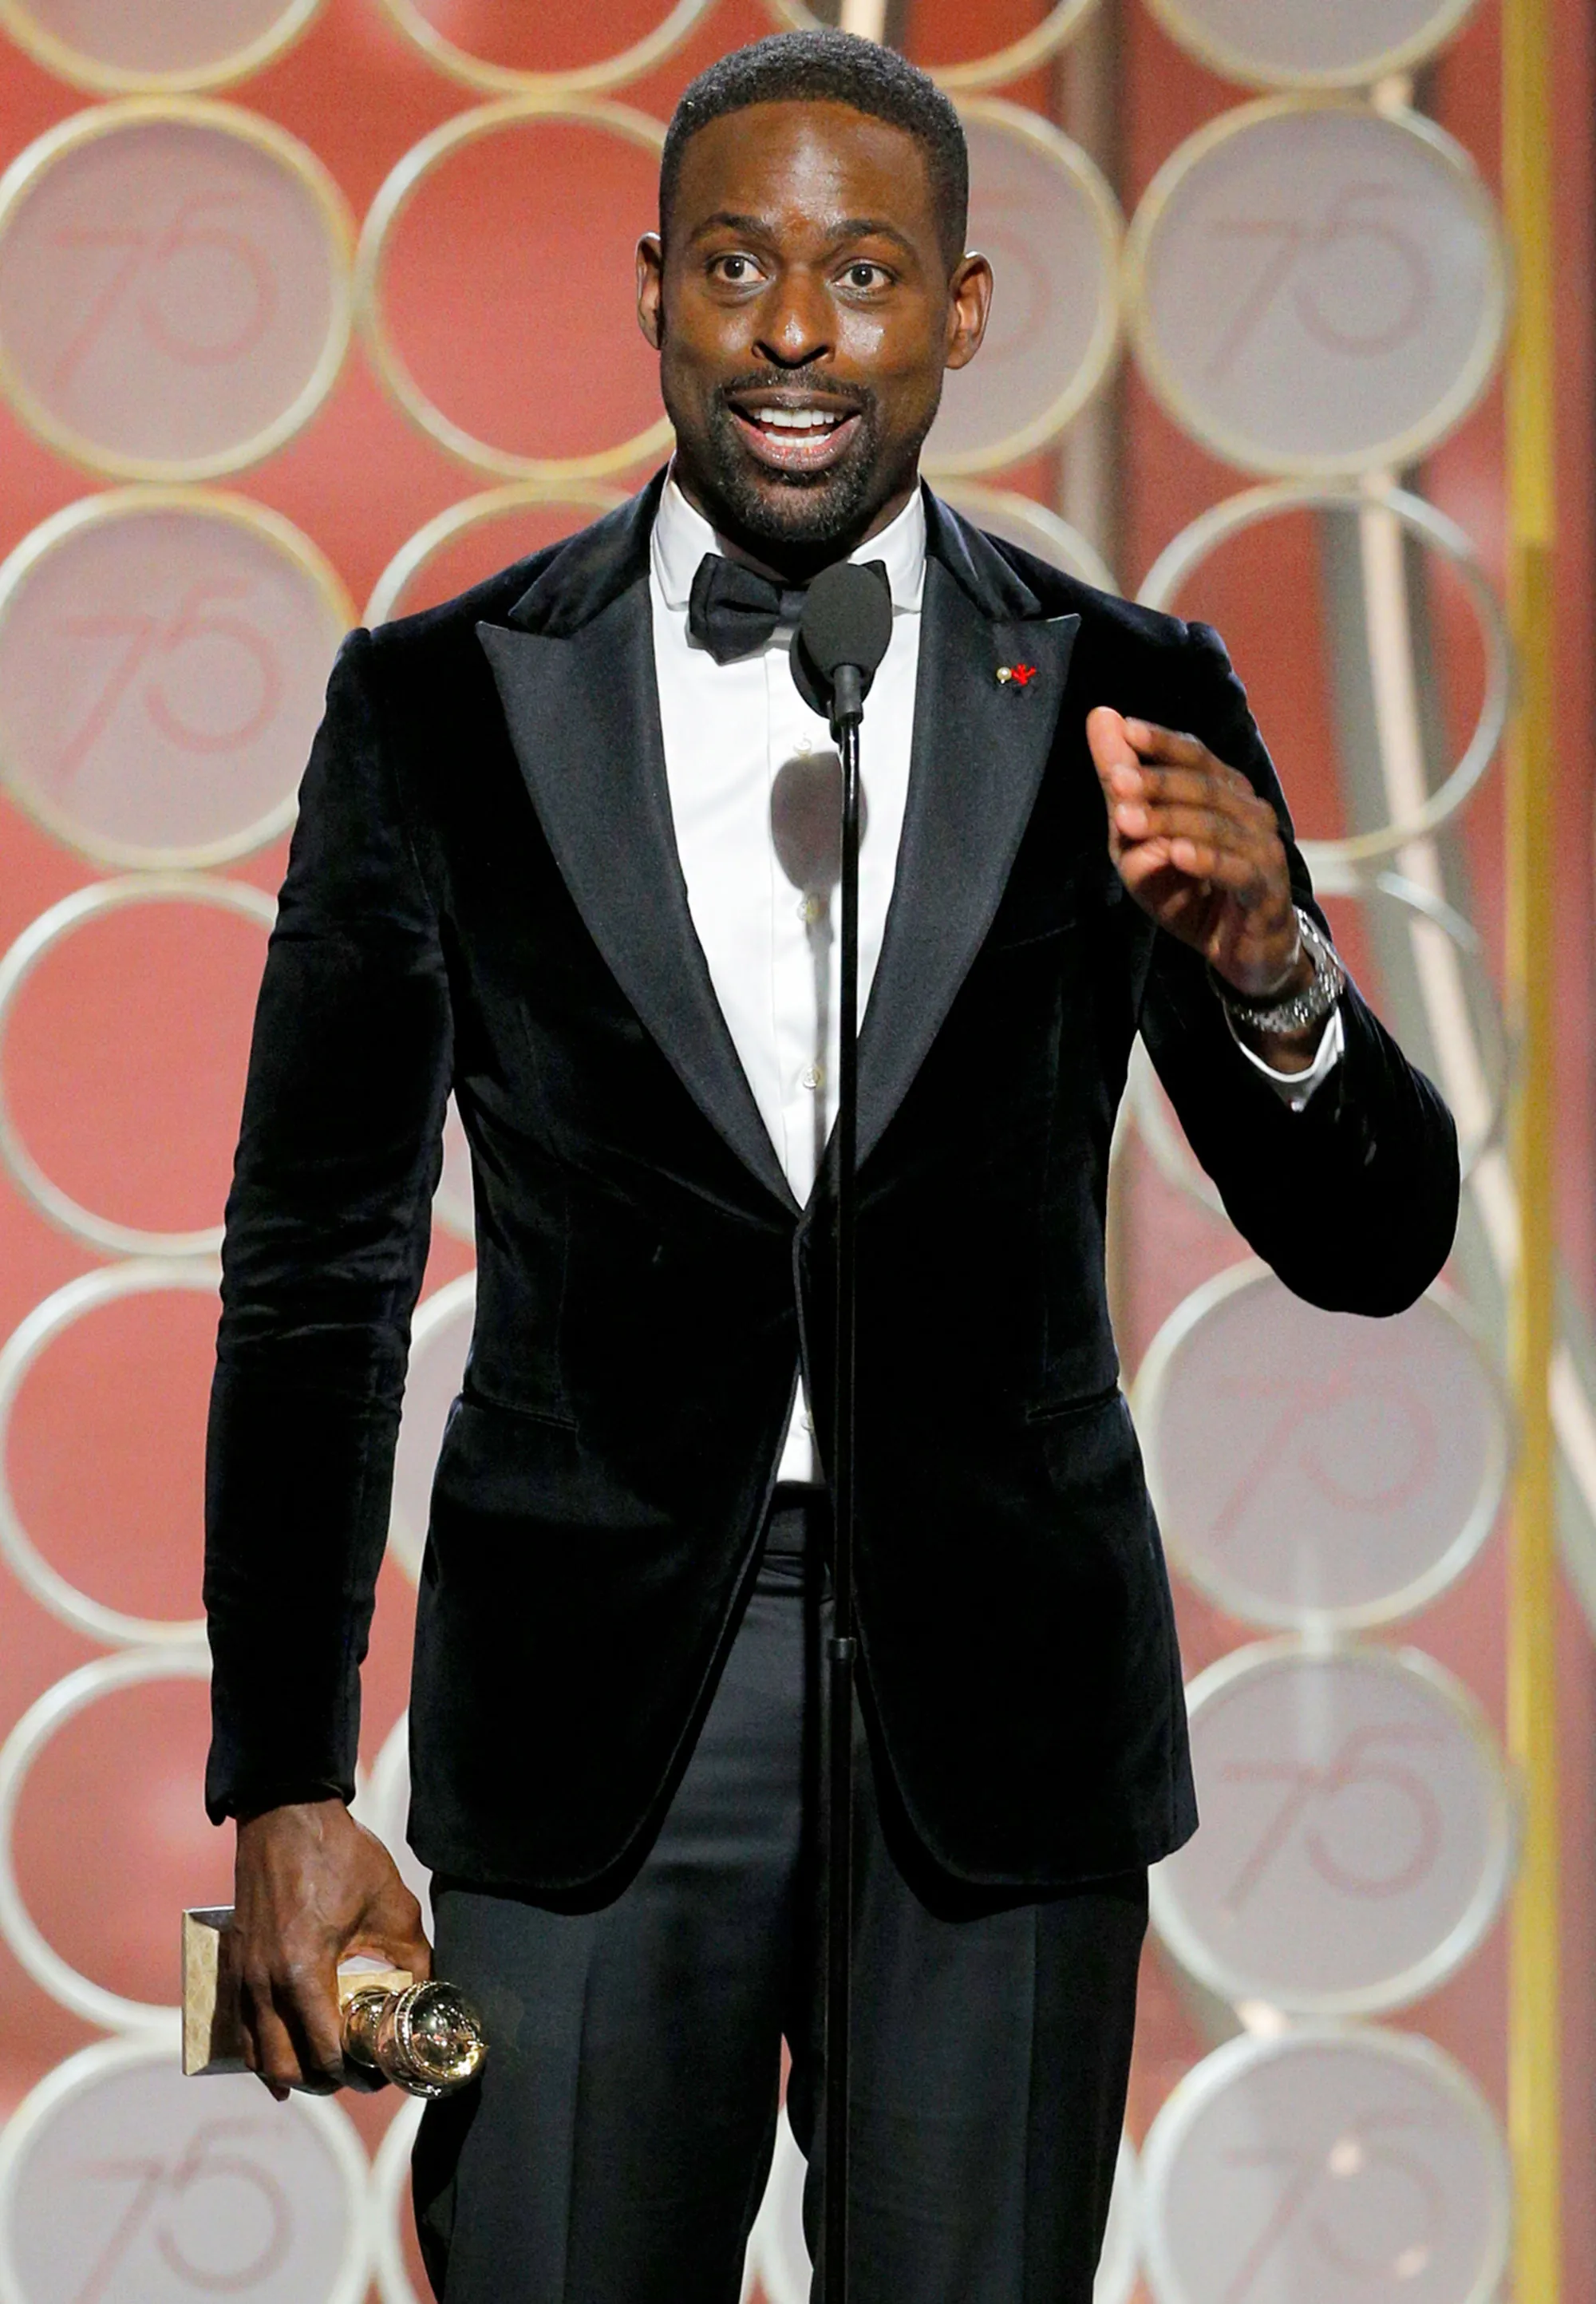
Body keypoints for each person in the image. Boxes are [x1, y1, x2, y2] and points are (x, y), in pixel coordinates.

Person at [203, 30, 1460, 2304]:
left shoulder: (1127, 690)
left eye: (867, 271)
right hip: (588, 1738)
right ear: (657, 292)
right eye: (741, 266)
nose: (799, 329)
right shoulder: (437, 701)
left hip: (1003, 1738)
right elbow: (316, 1272)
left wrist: (1280, 977)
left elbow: (1375, 1244)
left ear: (962, 311)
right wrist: (281, 1779)